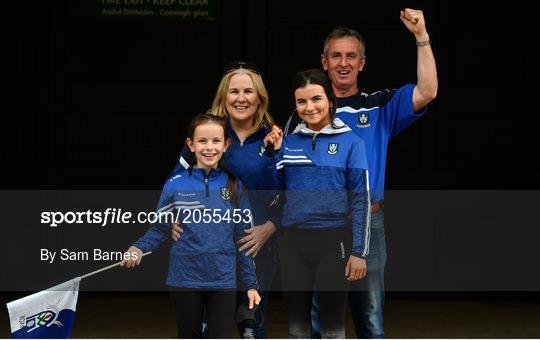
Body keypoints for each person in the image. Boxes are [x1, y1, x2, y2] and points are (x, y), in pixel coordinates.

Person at [282, 8, 438, 339]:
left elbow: (428, 91)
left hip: (368, 222)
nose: (343, 62)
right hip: (316, 228)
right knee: (317, 321)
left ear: (361, 63)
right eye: (336, 55)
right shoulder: (302, 114)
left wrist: (421, 37)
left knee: (370, 319)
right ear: (324, 62)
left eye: (350, 56)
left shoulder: (379, 106)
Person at [121, 113, 261, 338]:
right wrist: (137, 248)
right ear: (191, 144)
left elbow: (243, 240)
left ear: (226, 145)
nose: (209, 148)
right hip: (184, 277)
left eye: (216, 141)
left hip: (223, 279)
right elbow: (160, 228)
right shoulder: (175, 184)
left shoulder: (236, 185)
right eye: (202, 141)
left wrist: (250, 284)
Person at [170, 62, 282, 338]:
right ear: (223, 96)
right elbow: (177, 181)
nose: (241, 98)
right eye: (234, 91)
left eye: (248, 91)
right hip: (208, 245)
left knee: (251, 323)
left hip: (255, 243)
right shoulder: (208, 132)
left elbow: (290, 193)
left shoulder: (274, 137)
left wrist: (270, 227)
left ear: (260, 98)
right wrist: (173, 216)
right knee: (206, 326)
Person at [266, 68, 370, 338]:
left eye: (316, 99)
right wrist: (274, 156)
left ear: (330, 101)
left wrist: (359, 251)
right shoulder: (288, 143)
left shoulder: (351, 142)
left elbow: (360, 199)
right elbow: (276, 195)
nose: (309, 107)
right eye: (301, 101)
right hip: (293, 242)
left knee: (333, 322)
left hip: (333, 239)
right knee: (296, 323)